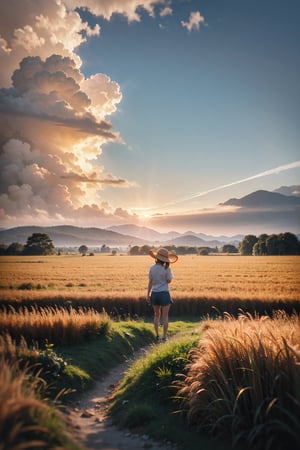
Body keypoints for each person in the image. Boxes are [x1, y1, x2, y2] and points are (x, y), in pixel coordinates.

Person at [146, 247, 178, 341]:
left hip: (154, 294)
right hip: (164, 294)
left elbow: (150, 282)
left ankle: (157, 336)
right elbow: (168, 281)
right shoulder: (166, 269)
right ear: (165, 259)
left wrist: (148, 295)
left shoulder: (152, 268)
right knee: (165, 316)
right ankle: (164, 337)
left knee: (156, 315)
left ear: (157, 257)